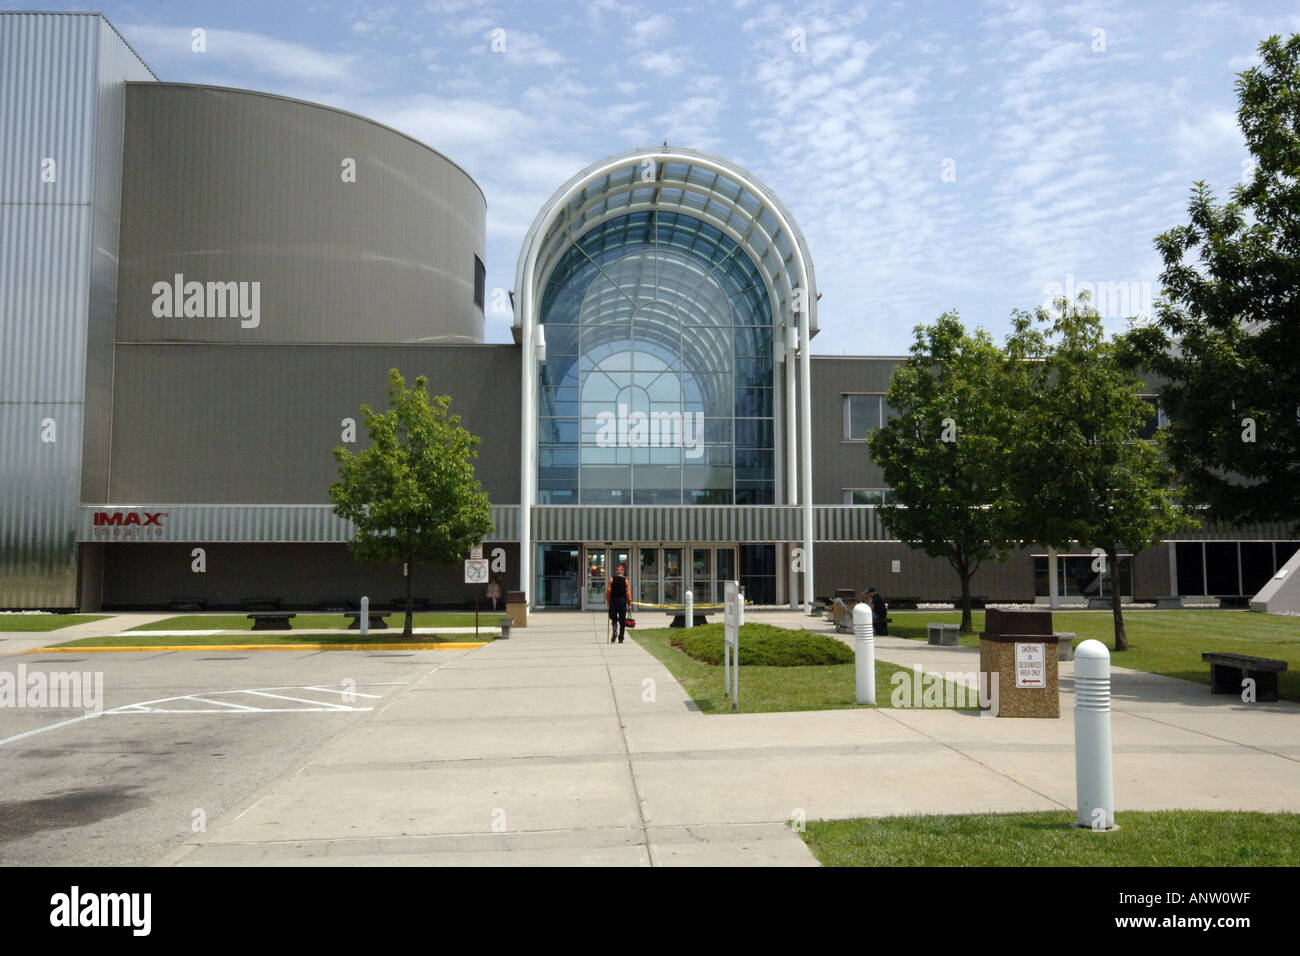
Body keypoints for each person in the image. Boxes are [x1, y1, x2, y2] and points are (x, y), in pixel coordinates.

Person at [605, 565, 630, 644]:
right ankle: (621, 637)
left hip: (613, 601)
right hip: (622, 601)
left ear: (616, 572)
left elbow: (608, 591)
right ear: (623, 572)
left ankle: (615, 631)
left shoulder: (612, 579)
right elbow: (627, 592)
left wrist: (608, 601)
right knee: (622, 621)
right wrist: (629, 603)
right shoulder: (625, 580)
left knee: (614, 618)